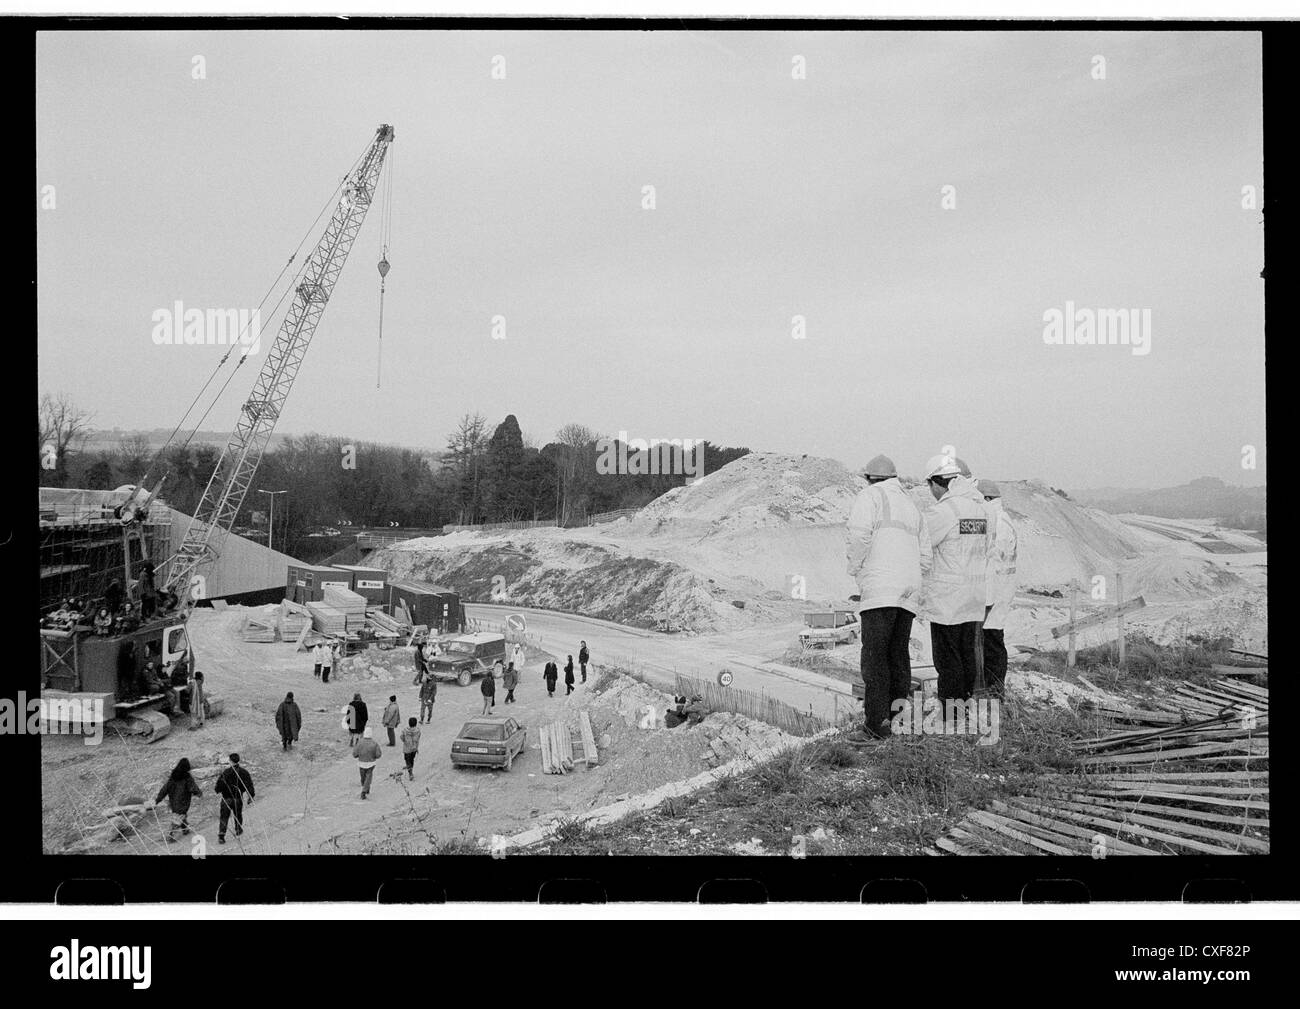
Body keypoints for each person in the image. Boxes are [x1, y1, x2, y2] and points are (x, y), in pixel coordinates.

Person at [845, 453, 932, 738]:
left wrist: (856, 569)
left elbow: (858, 537)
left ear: (870, 478)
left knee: (875, 658)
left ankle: (875, 726)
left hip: (880, 590)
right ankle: (896, 719)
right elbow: (926, 557)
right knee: (898, 656)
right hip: (908, 592)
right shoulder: (911, 503)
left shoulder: (869, 497)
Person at [921, 454, 992, 702]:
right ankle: (965, 703)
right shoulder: (980, 509)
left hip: (948, 599)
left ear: (936, 483)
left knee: (947, 657)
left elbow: (921, 544)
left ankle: (951, 713)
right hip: (973, 595)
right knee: (966, 653)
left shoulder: (944, 511)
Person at [979, 479, 1018, 700]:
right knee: (992, 641)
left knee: (992, 643)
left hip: (996, 593)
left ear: (986, 499)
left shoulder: (999, 523)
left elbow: (993, 565)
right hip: (1001, 591)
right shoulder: (1003, 519)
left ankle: (995, 692)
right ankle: (993, 690)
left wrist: (986, 600)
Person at [151, 757, 201, 843]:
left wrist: (157, 800)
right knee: (179, 817)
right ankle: (170, 836)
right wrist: (198, 793)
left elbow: (164, 789)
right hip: (183, 801)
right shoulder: (187, 777)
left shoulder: (173, 776)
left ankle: (185, 829)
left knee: (180, 814)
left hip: (173, 801)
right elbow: (192, 787)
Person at [214, 753, 255, 845]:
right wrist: (251, 796)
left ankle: (221, 834)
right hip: (237, 798)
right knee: (238, 814)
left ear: (230, 761)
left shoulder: (226, 772)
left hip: (226, 799)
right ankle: (238, 829)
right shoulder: (244, 772)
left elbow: (219, 786)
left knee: (224, 817)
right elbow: (249, 785)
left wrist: (218, 790)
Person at [352, 727, 382, 799]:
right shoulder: (374, 743)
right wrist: (374, 757)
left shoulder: (359, 742)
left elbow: (354, 754)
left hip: (361, 763)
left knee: (363, 777)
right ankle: (365, 790)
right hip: (371, 763)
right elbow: (378, 754)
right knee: (368, 777)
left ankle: (365, 787)